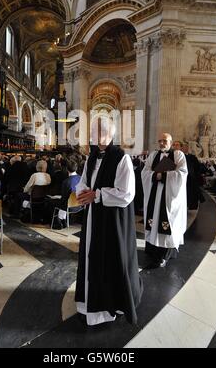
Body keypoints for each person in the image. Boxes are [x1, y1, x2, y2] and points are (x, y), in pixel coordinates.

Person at [75, 117, 143, 326]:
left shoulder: (121, 158)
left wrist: (97, 195)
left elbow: (127, 194)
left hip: (111, 221)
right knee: (91, 256)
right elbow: (83, 181)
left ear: (106, 134)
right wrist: (83, 192)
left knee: (109, 259)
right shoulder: (91, 157)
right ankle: (89, 300)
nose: (90, 135)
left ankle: (109, 304)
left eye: (93, 131)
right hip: (93, 216)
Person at [141, 133, 188, 268]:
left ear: (171, 142)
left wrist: (164, 175)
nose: (162, 143)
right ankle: (152, 249)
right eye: (159, 140)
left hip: (169, 197)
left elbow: (182, 173)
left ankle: (165, 254)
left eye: (165, 140)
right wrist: (155, 175)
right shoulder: (153, 155)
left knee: (168, 222)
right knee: (153, 220)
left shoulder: (178, 155)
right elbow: (145, 172)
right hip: (154, 195)